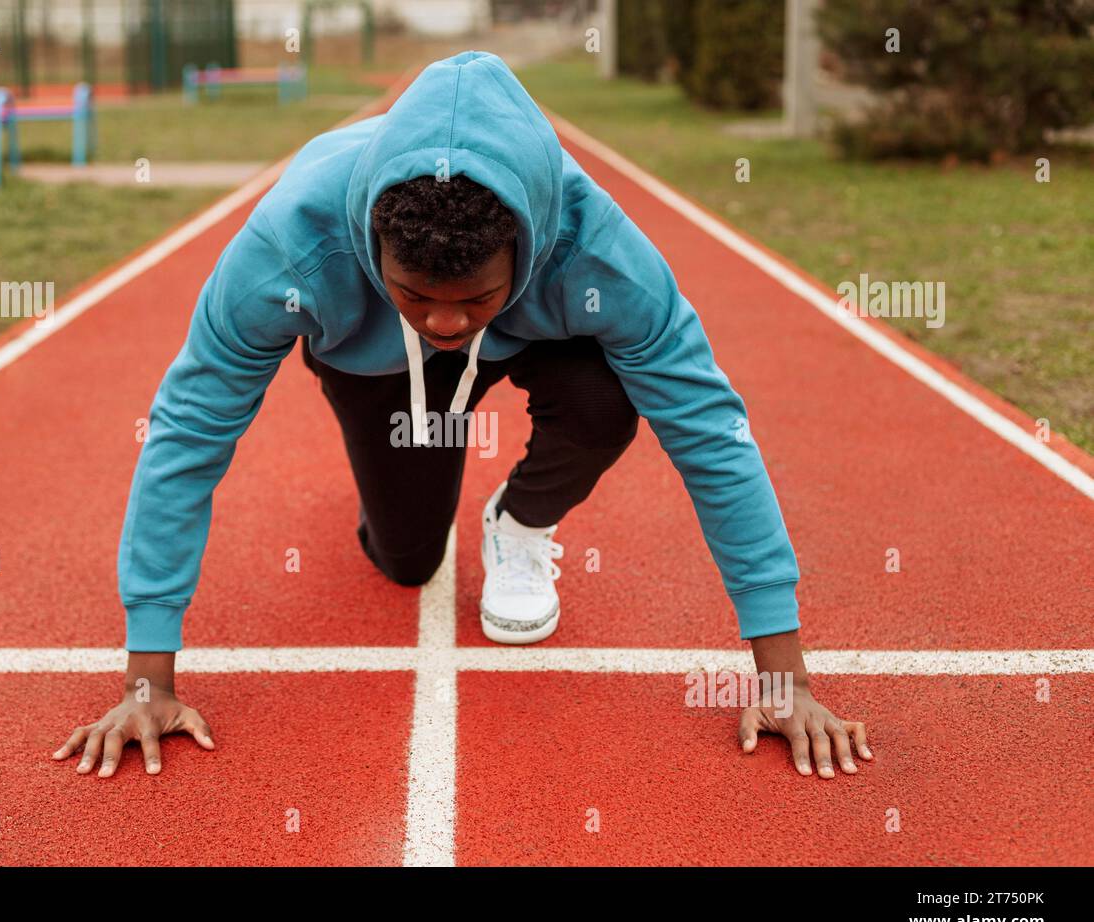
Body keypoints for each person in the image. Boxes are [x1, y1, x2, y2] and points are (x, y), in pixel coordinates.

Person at [54, 51, 872, 781]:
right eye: (417, 295)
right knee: (409, 559)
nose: (444, 324)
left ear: (529, 247)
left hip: (537, 338)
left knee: (605, 398)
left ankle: (520, 522)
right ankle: (396, 415)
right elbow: (189, 431)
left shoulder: (599, 254)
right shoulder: (288, 251)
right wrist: (147, 684)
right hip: (370, 360)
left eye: (471, 297)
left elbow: (708, 430)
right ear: (374, 248)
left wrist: (783, 679)